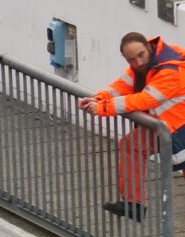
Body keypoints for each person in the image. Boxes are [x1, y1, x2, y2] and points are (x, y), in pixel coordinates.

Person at [78, 33, 185, 221]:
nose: (137, 62)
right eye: (131, 60)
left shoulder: (170, 69)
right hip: (171, 129)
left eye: (140, 55)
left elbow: (146, 99)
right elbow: (122, 86)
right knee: (131, 144)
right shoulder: (147, 63)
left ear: (149, 47)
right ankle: (133, 204)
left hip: (177, 129)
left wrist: (103, 108)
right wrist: (98, 98)